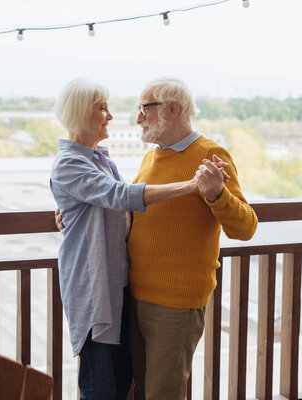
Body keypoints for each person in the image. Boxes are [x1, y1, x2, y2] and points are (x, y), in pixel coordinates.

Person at [50, 78, 217, 400]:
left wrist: (72, 217)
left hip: (122, 290)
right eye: (102, 108)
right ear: (82, 114)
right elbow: (121, 196)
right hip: (95, 291)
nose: (111, 116)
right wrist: (191, 185)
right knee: (101, 387)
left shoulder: (99, 158)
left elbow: (117, 209)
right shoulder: (71, 162)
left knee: (122, 384)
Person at [128, 77, 258, 400]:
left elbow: (245, 227)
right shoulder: (151, 158)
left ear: (172, 109)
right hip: (135, 296)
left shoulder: (211, 155)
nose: (138, 118)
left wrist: (216, 194)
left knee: (163, 394)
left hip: (175, 304)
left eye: (144, 108)